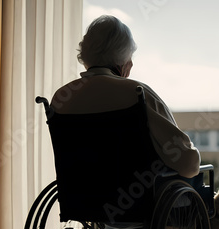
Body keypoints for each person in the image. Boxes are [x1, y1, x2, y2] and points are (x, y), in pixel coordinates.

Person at [51, 15, 200, 178]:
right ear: (123, 62)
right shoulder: (136, 92)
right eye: (130, 57)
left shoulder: (61, 98)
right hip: (140, 201)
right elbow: (188, 164)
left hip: (80, 201)